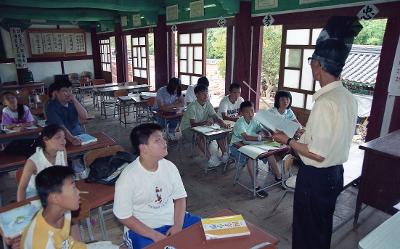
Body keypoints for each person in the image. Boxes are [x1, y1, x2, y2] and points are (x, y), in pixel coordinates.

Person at [272, 16, 362, 249]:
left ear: (318, 66)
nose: (310, 64)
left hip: (316, 178)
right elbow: (331, 138)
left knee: (306, 231)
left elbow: (317, 153)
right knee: (321, 228)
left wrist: (288, 140)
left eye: (311, 60)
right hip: (335, 174)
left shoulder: (325, 102)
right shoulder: (348, 98)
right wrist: (307, 134)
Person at [113, 123, 200, 249]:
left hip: (174, 220)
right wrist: (155, 235)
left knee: (208, 233)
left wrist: (178, 226)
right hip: (144, 228)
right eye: (157, 140)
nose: (164, 142)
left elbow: (180, 198)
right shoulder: (128, 178)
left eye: (163, 138)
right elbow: (124, 216)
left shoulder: (169, 167)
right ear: (144, 148)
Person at [21, 166, 119, 249]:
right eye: (73, 188)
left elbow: (70, 243)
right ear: (55, 198)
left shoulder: (64, 212)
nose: (78, 192)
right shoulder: (43, 243)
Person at [180, 84, 230, 167]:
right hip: (188, 129)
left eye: (206, 93)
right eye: (203, 93)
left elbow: (215, 116)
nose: (206, 95)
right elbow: (193, 124)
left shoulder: (208, 104)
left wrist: (222, 123)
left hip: (202, 127)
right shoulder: (192, 106)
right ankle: (210, 159)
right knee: (199, 137)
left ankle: (225, 154)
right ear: (196, 95)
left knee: (219, 132)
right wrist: (204, 123)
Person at [17, 124, 67, 201]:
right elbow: (22, 188)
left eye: (64, 137)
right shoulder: (33, 161)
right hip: (36, 195)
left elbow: (65, 174)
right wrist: (22, 207)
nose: (63, 141)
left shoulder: (62, 151)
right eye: (58, 138)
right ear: (45, 139)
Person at [230, 101, 269, 198]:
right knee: (251, 157)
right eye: (247, 112)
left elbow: (259, 128)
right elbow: (246, 137)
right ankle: (256, 186)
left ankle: (278, 177)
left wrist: (264, 131)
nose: (251, 114)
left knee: (269, 152)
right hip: (237, 147)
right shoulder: (240, 123)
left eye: (252, 111)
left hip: (250, 144)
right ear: (242, 113)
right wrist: (260, 137)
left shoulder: (254, 120)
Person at [45, 79, 88, 146]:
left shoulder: (72, 102)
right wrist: (72, 139)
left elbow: (84, 117)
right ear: (56, 93)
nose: (68, 94)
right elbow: (61, 127)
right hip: (60, 137)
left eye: (70, 90)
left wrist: (75, 100)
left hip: (78, 134)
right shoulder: (51, 107)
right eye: (64, 91)